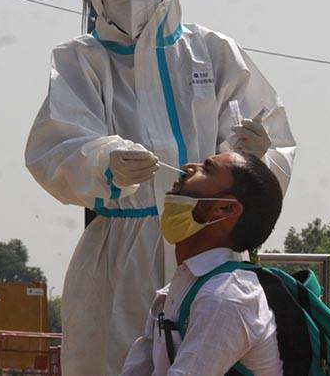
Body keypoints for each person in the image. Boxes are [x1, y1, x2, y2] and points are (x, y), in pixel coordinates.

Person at [25, 0, 296, 376]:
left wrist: (259, 153)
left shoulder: (213, 51)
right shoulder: (80, 60)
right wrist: (104, 161)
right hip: (119, 255)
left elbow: (267, 155)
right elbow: (55, 147)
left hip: (211, 241)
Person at [120, 152, 284, 376]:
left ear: (226, 209)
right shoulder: (170, 295)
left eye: (207, 169)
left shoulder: (227, 297)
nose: (188, 167)